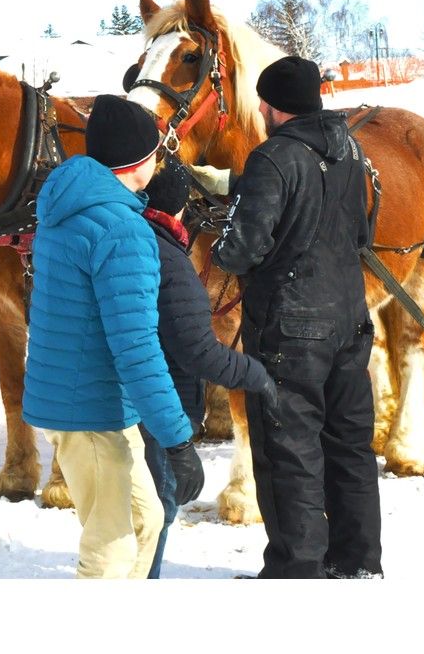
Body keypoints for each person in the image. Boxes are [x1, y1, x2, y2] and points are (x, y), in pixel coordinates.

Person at [191, 56, 382, 579]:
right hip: (350, 320)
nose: (258, 108)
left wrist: (231, 225)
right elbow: (359, 231)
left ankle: (296, 574)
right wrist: (239, 184)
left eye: (262, 101)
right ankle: (359, 564)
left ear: (276, 107)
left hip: (289, 330)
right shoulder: (350, 149)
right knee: (349, 448)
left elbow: (240, 251)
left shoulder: (271, 157)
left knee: (289, 454)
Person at [23, 95, 204, 579]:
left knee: (148, 521)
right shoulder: (123, 231)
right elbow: (138, 349)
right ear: (140, 160)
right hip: (91, 410)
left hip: (79, 399)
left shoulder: (66, 211)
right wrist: (178, 442)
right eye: (155, 152)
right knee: (111, 551)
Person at [139, 155, 278, 579]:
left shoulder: (129, 238)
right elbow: (198, 351)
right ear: (181, 208)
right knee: (155, 509)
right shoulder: (174, 262)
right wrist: (257, 376)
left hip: (122, 405)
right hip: (159, 408)